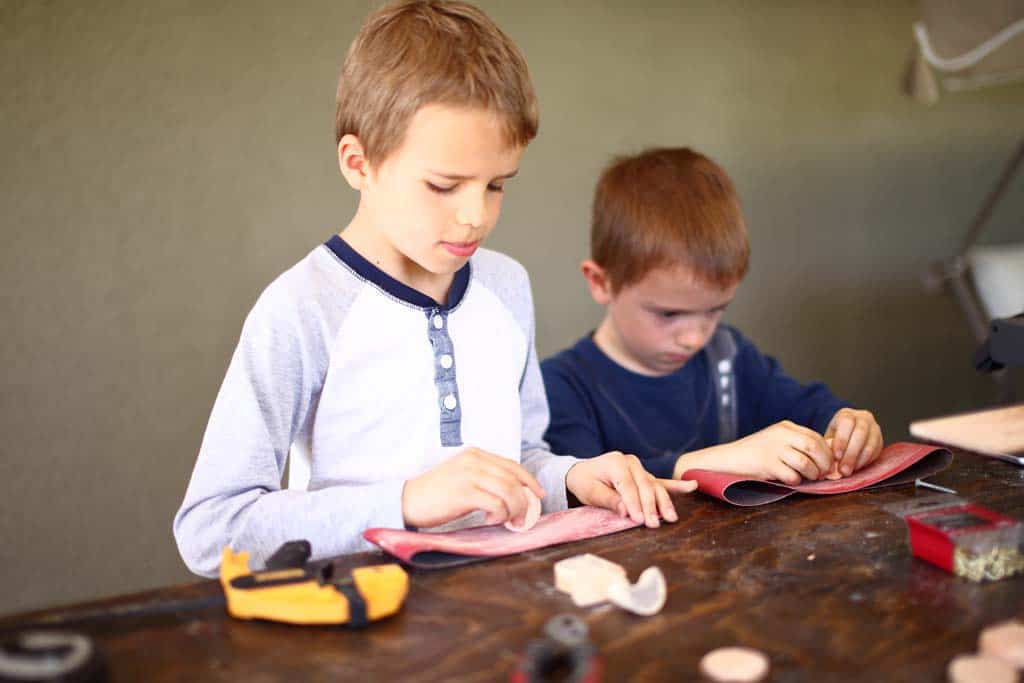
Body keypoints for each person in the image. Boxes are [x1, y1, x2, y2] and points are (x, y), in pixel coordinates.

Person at [173, 1, 694, 578]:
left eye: (497, 184)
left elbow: (518, 461)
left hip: (499, 614)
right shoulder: (301, 308)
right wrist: (406, 503)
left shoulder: (506, 286)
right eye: (444, 185)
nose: (476, 216)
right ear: (359, 162)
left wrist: (569, 477)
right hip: (361, 631)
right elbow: (211, 528)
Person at [541, 147, 884, 486]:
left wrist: (846, 424)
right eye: (669, 313)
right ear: (601, 282)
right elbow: (585, 489)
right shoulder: (561, 387)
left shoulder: (728, 355)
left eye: (715, 310)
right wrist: (720, 462)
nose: (694, 337)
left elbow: (810, 407)